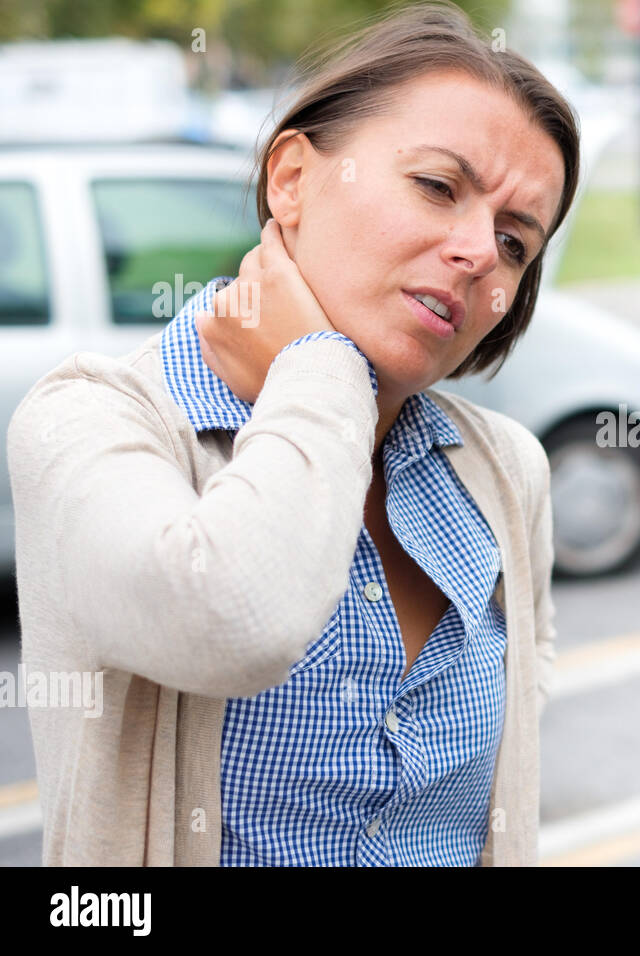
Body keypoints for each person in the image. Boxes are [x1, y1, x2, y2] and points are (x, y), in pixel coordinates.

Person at [6, 1, 580, 865]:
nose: (475, 252)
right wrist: (319, 364)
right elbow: (231, 619)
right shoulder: (90, 417)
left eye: (513, 240)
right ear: (292, 180)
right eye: (436, 186)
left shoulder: (505, 471)